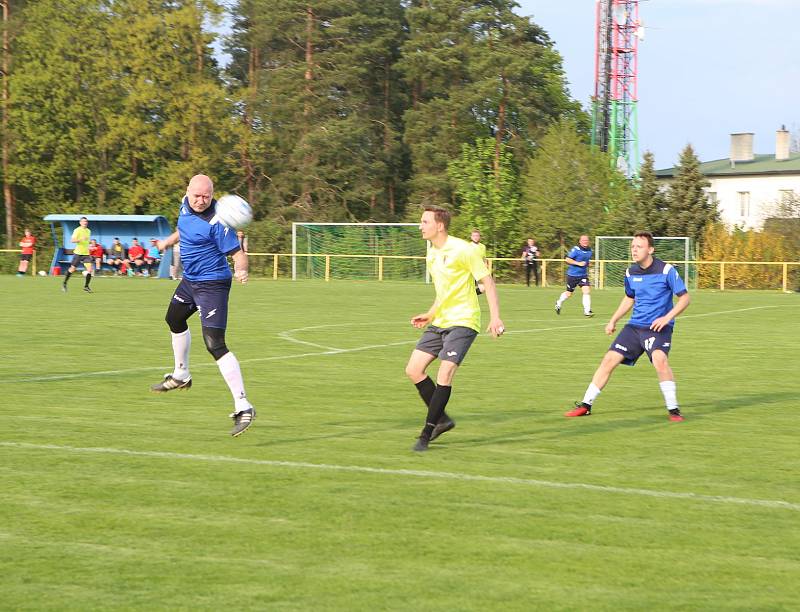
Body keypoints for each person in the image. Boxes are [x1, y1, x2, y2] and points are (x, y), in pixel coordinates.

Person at [150, 174, 255, 437]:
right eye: (197, 195)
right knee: (174, 319)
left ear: (212, 194)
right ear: (188, 191)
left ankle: (243, 406)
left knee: (215, 344)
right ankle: (181, 374)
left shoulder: (219, 221)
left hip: (213, 285)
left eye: (206, 196)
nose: (201, 200)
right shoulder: (184, 205)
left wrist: (242, 271)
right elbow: (183, 228)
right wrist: (166, 242)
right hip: (190, 281)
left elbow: (238, 253)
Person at [406, 206, 504, 452]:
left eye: (425, 221)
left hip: (464, 320)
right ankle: (443, 419)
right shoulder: (431, 254)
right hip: (441, 321)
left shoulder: (464, 249)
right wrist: (430, 314)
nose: (421, 226)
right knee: (413, 370)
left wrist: (496, 318)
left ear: (439, 225)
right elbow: (443, 293)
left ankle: (426, 433)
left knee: (445, 372)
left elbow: (488, 284)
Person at [565, 231, 690, 422]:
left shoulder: (666, 270)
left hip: (657, 328)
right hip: (634, 327)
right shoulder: (630, 272)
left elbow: (685, 298)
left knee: (659, 360)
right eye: (632, 246)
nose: (634, 250)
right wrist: (613, 320)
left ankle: (673, 410)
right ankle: (585, 405)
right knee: (608, 360)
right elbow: (629, 298)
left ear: (650, 249)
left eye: (639, 246)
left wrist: (667, 318)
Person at [555, 234, 593, 317]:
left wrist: (588, 265)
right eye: (583, 240)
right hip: (572, 275)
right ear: (580, 241)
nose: (585, 242)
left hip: (583, 275)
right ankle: (559, 302)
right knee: (569, 294)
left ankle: (587, 311)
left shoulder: (590, 250)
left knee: (586, 291)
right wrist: (578, 263)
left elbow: (586, 261)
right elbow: (567, 259)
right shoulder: (575, 249)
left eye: (586, 240)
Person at [62, 217, 94, 293]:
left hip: (86, 254)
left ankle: (86, 287)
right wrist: (80, 239)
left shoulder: (88, 231)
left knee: (90, 270)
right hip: (78, 254)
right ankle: (64, 283)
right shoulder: (77, 230)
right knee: (72, 269)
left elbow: (86, 241)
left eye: (86, 221)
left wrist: (90, 245)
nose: (85, 223)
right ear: (80, 222)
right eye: (83, 221)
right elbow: (72, 240)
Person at [468, 229, 487, 294]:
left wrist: (485, 268)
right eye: (474, 236)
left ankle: (471, 295)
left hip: (479, 271)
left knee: (483, 289)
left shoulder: (483, 246)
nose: (475, 237)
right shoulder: (468, 246)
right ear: (471, 237)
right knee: (467, 288)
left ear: (479, 237)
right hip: (470, 271)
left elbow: (484, 259)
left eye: (477, 236)